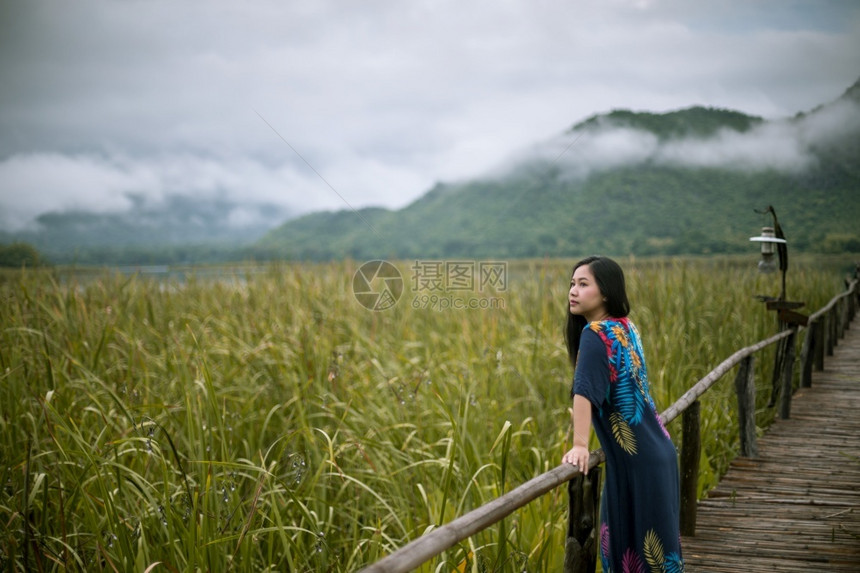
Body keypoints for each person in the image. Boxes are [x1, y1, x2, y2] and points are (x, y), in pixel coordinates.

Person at [561, 256, 684, 572]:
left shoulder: (595, 333)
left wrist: (579, 445)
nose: (573, 291)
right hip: (658, 455)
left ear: (606, 292)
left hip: (638, 466)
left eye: (583, 284)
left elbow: (583, 393)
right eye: (572, 284)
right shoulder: (626, 327)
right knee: (657, 559)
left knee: (630, 559)